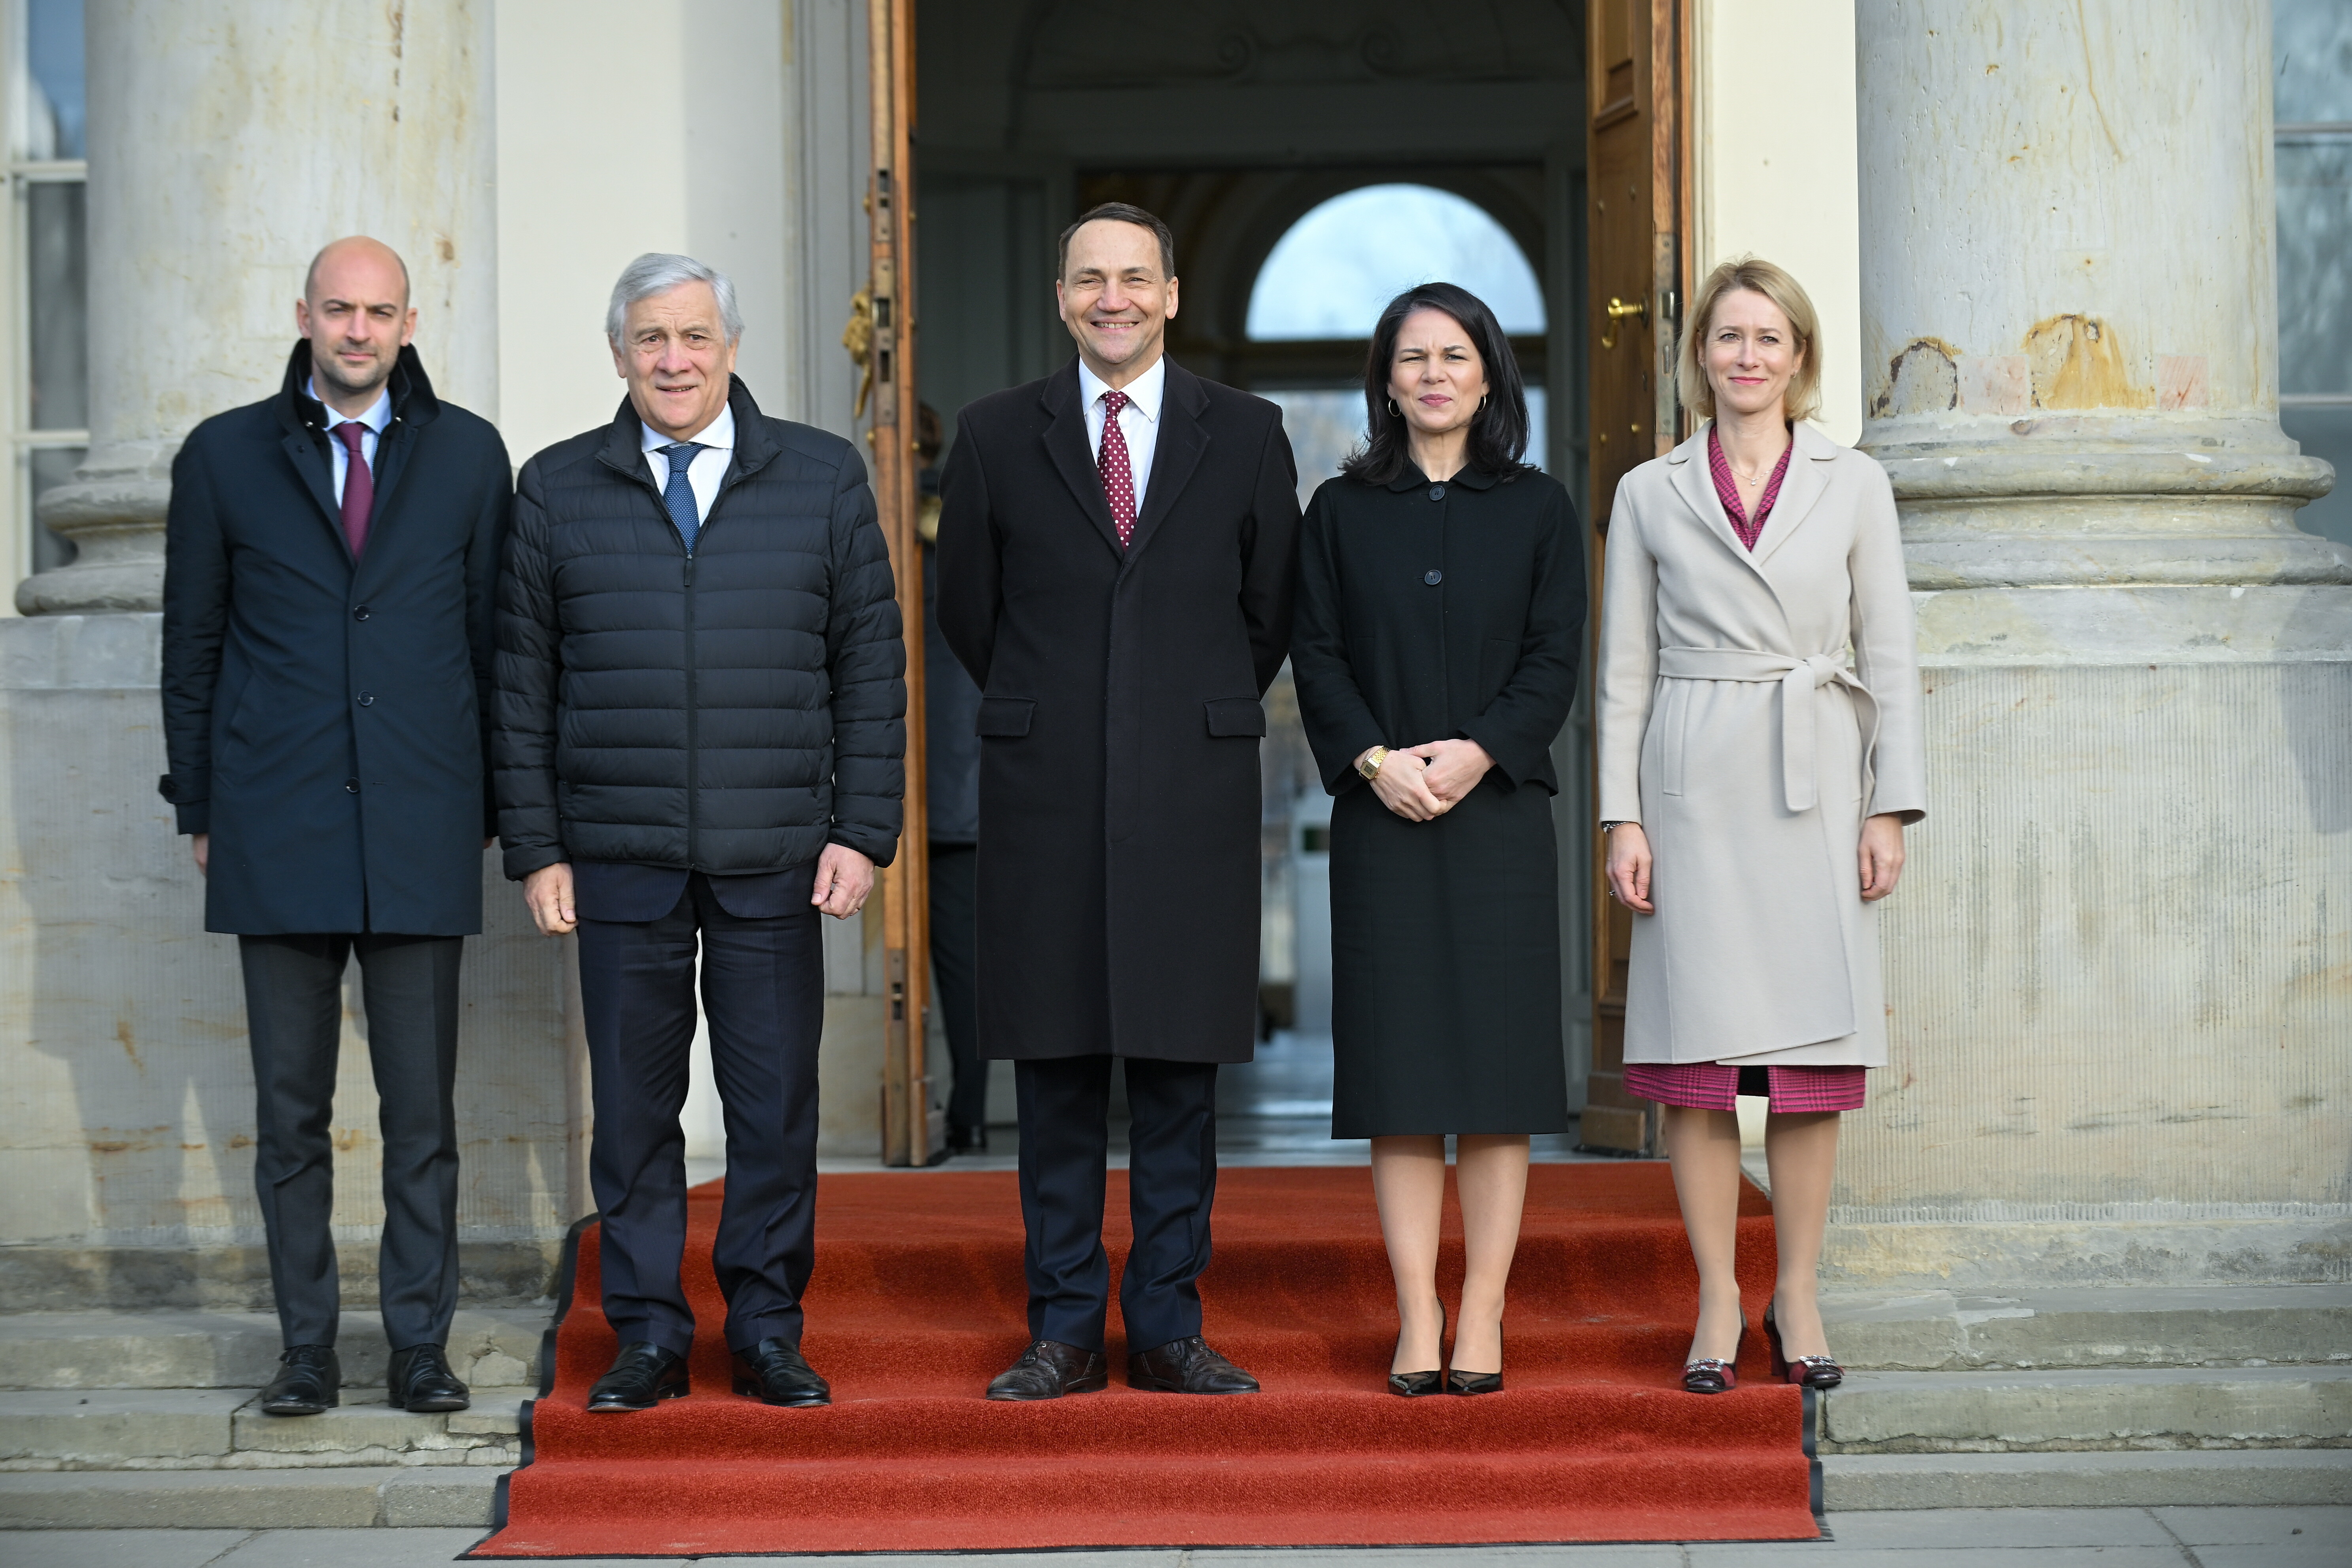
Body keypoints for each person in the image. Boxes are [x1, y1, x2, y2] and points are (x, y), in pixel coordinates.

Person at [494, 253, 904, 1413]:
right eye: (650, 340)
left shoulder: (822, 477)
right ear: (617, 354)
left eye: (694, 336)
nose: (674, 359)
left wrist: (862, 829)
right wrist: (537, 845)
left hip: (777, 849)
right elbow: (520, 682)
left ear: (731, 346)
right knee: (632, 1113)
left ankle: (766, 1328)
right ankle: (648, 1335)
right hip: (615, 852)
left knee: (772, 1107)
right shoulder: (557, 486)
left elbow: (871, 667)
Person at [936, 202, 1301, 1401]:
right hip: (1042, 791)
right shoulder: (995, 436)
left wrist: (1168, 711)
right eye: (1090, 279)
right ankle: (1061, 1326)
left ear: (1172, 293)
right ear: (1060, 297)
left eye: (1133, 278)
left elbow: (1268, 610)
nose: (1112, 298)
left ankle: (1166, 1323)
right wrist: (1069, 708)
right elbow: (969, 611)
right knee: (1051, 1067)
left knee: (1176, 1069)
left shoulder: (1247, 433)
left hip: (1190, 788)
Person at [159, 237, 512, 1418]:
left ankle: (421, 1344)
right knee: (290, 1114)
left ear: (411, 320)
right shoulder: (221, 457)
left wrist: (493, 807)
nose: (357, 330)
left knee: (421, 1114)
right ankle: (305, 1345)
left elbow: (489, 644)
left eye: (378, 311)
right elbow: (193, 645)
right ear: (303, 315)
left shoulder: (468, 455)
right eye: (337, 310)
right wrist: (199, 802)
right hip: (277, 821)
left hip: (421, 823)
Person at [1596, 256, 1926, 1394]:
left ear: (1798, 356)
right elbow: (1623, 669)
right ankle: (1714, 1298)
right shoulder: (1650, 488)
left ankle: (1796, 1287)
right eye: (1726, 337)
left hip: (1816, 775)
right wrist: (1620, 815)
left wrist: (1888, 801)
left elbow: (1890, 652)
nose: (1744, 356)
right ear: (1699, 358)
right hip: (1691, 779)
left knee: (1806, 1055)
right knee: (1695, 1058)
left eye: (1766, 338)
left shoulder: (1855, 482)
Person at [1291, 282, 1585, 1398]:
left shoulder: (1540, 506)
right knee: (1402, 1078)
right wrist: (1376, 761)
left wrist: (1477, 750)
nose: (1430, 374)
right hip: (1381, 820)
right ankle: (1416, 1308)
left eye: (1452, 355)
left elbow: (1553, 657)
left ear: (1486, 375)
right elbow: (1313, 653)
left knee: (1496, 1081)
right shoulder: (1337, 509)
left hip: (1500, 817)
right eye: (1410, 357)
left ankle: (1483, 1308)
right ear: (1384, 379)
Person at [915, 404, 989, 1152]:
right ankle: (966, 1108)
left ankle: (962, 1107)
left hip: (933, 779)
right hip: (965, 780)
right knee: (962, 965)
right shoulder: (977, 514)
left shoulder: (896, 524)